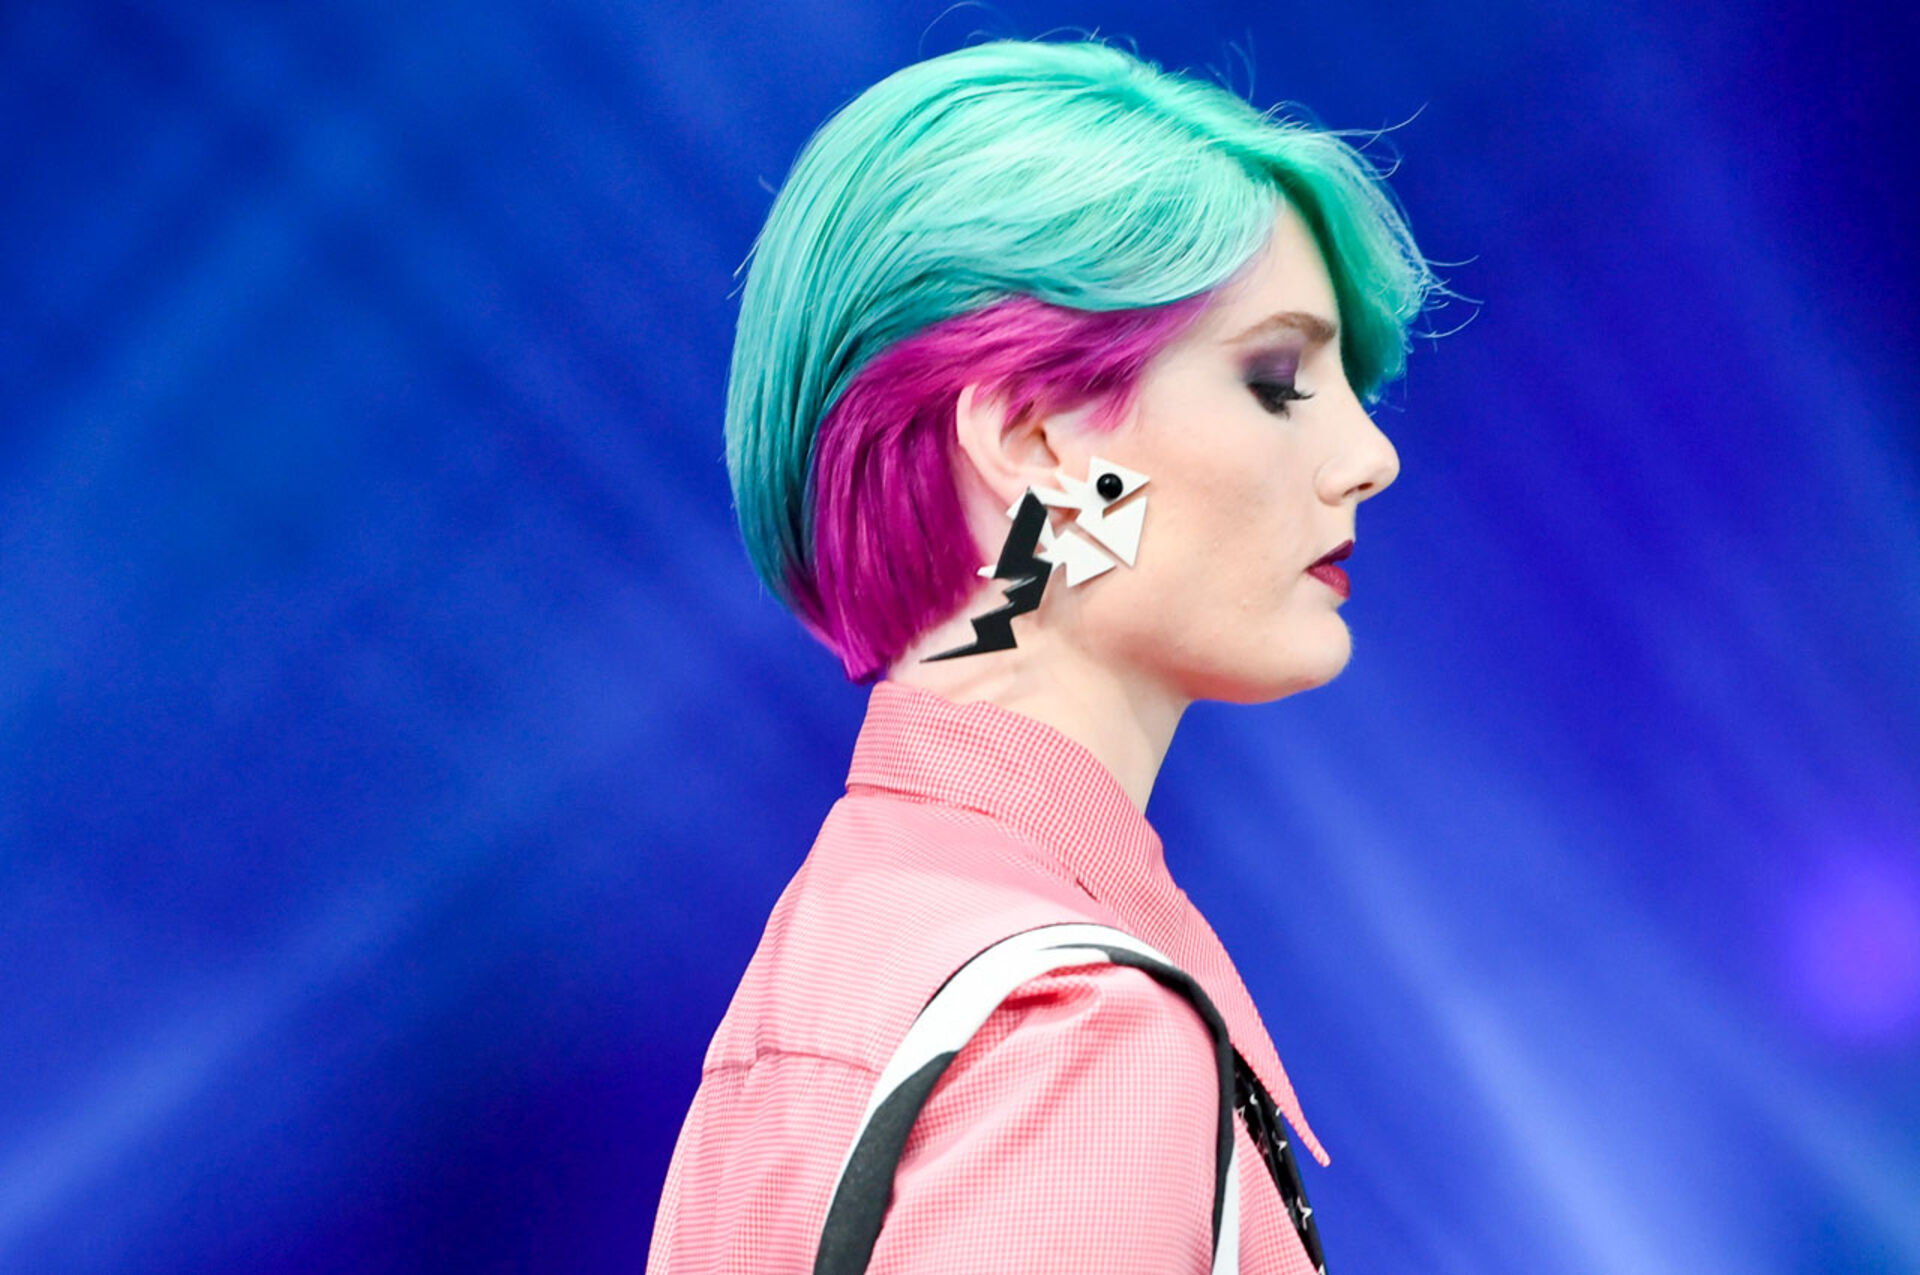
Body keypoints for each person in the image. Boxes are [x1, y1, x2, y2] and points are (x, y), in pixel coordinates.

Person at [649, 37, 1434, 1274]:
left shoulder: (835, 954)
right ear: (1031, 439)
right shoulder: (1073, 1031)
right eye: (1278, 378)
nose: (1369, 456)